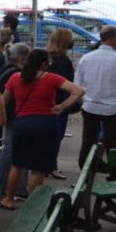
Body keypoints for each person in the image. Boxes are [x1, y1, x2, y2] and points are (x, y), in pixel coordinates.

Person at [0, 50, 85, 210]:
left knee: (17, 164)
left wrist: (1, 117)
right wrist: (63, 106)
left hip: (22, 123)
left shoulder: (16, 77)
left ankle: (8, 198)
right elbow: (78, 91)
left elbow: (3, 100)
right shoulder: (51, 78)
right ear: (44, 63)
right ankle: (33, 204)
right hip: (46, 124)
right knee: (39, 168)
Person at [75, 25, 116, 181]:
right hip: (112, 107)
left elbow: (78, 83)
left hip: (90, 105)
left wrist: (81, 100)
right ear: (113, 38)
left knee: (88, 140)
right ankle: (114, 175)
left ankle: (86, 172)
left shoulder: (86, 58)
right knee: (112, 142)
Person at [0, 44, 31, 200]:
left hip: (10, 115)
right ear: (23, 58)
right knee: (12, 151)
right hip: (15, 116)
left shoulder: (6, 70)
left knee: (10, 150)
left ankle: (6, 185)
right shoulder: (17, 74)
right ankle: (7, 186)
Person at [45, 29, 77, 179]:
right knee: (56, 136)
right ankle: (51, 165)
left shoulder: (47, 58)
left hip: (45, 102)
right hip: (58, 104)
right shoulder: (64, 61)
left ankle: (45, 164)